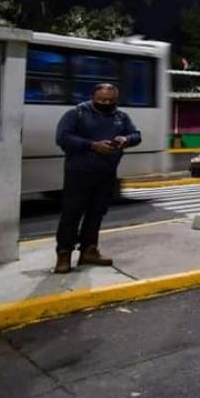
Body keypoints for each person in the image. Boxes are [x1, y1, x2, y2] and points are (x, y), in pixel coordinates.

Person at [52, 83, 142, 274]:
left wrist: (126, 140)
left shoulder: (121, 117)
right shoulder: (76, 114)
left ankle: (89, 251)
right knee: (71, 213)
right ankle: (64, 254)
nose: (106, 103)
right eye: (102, 100)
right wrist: (92, 145)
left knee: (96, 213)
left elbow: (136, 135)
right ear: (93, 97)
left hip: (106, 173)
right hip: (78, 173)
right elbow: (63, 138)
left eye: (110, 100)